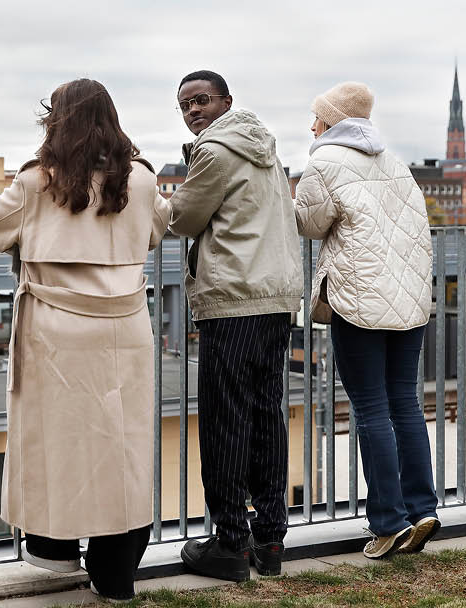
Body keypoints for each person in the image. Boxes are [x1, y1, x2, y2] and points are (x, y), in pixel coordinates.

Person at [0, 78, 171, 602]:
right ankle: (116, 568)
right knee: (122, 445)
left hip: (56, 329)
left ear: (56, 120)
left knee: (59, 444)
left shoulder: (39, 180)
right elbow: (157, 230)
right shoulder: (142, 179)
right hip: (125, 326)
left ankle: (54, 546)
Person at [168, 70, 303, 581]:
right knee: (268, 418)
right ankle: (269, 540)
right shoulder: (263, 147)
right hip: (274, 298)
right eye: (184, 105)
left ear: (226, 100)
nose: (192, 111)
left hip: (233, 300)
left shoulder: (215, 151)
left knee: (227, 423)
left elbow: (183, 218)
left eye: (200, 100)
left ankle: (230, 543)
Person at [294, 81, 439, 559]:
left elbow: (309, 224)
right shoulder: (395, 163)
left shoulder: (325, 160)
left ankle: (388, 523)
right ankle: (422, 509)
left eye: (316, 117)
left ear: (331, 121)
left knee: (372, 409)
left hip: (358, 300)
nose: (310, 126)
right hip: (409, 299)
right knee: (406, 404)